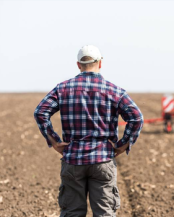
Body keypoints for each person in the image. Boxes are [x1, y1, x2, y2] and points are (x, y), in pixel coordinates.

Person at [34, 45, 143, 216]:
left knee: (72, 212)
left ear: (78, 65)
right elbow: (136, 118)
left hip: (73, 160)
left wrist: (54, 142)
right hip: (103, 160)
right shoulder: (115, 91)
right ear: (100, 63)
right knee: (104, 213)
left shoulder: (62, 89)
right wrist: (122, 146)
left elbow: (40, 112)